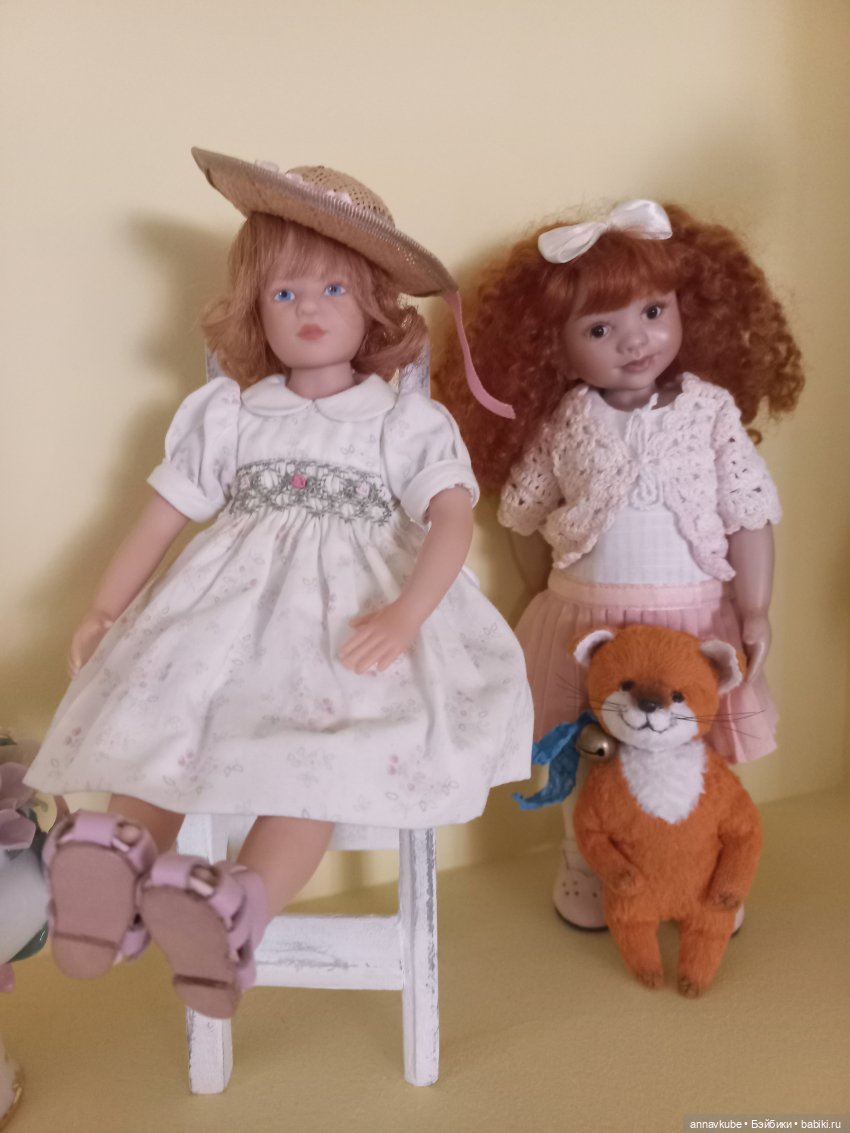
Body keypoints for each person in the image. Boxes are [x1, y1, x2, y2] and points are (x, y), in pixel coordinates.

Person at [26, 150, 532, 1017]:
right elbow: (161, 516)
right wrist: (106, 607)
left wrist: (409, 614)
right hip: (225, 626)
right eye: (284, 292)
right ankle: (113, 863)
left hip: (350, 634)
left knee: (321, 761)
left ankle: (236, 908)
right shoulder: (231, 414)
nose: (308, 309)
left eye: (333, 289)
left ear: (373, 305)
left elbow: (451, 518)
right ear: (255, 307)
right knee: (166, 711)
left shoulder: (402, 421)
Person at [437, 199, 803, 928]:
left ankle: (699, 867)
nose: (634, 340)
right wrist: (541, 591)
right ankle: (586, 861)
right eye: (600, 329)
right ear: (554, 348)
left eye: (653, 312)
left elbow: (749, 513)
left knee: (692, 752)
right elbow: (523, 515)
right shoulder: (566, 421)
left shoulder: (709, 411)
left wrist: (756, 607)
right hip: (587, 618)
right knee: (588, 748)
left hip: (694, 616)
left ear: (685, 309)